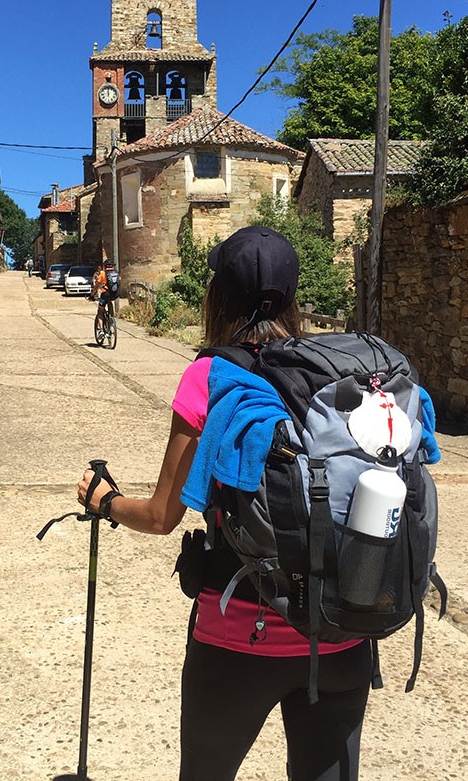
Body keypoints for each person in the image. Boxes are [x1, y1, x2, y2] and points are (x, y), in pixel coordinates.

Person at [76, 227, 372, 781]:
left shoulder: (210, 377)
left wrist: (106, 501)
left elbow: (163, 518)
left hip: (240, 633)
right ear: (291, 296)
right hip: (340, 632)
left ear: (220, 296)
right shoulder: (340, 371)